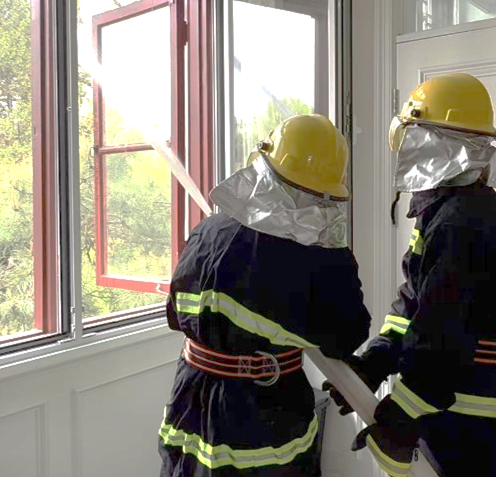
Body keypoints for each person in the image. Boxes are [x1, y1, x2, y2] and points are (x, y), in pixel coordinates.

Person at [326, 73, 496, 477]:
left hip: (473, 411)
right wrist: (376, 361)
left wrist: (402, 412)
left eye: (413, 135)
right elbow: (414, 305)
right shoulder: (446, 209)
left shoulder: (464, 221)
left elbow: (444, 334)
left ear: (439, 144)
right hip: (462, 398)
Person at [158, 113, 372, 477]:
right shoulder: (321, 258)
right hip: (266, 410)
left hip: (190, 396)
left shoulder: (207, 230)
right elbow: (348, 336)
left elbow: (175, 317)